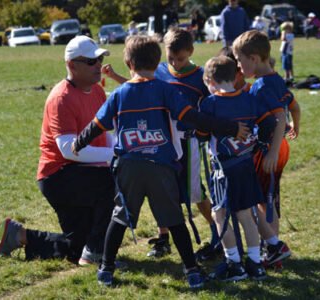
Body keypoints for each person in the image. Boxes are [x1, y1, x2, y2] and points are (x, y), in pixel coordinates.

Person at [72, 35, 249, 288]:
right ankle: (191, 271)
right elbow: (195, 118)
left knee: (120, 217)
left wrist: (78, 143)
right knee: (174, 219)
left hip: (129, 166)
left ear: (129, 63)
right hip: (160, 166)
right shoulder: (167, 90)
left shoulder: (120, 94)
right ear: (157, 63)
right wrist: (230, 128)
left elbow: (97, 125)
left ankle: (106, 269)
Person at [101, 28, 227, 261]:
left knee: (193, 191)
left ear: (191, 51)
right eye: (171, 58)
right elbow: (137, 87)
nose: (176, 64)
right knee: (160, 191)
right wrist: (117, 78)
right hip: (161, 141)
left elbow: (213, 103)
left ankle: (218, 232)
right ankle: (163, 239)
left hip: (188, 142)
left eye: (180, 58)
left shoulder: (200, 77)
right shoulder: (158, 70)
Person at [0, 36, 117, 266]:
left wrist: (117, 150)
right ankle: (96, 252)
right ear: (72, 65)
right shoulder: (61, 98)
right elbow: (69, 151)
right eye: (92, 61)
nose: (98, 65)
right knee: (111, 183)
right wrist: (115, 156)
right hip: (60, 175)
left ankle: (18, 235)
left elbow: (104, 134)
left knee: (74, 247)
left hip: (80, 172)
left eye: (99, 59)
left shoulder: (98, 91)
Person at [199, 56, 274, 281]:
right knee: (245, 214)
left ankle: (234, 263)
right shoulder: (249, 98)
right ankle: (255, 262)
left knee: (219, 214)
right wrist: (258, 142)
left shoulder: (209, 103)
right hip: (245, 164)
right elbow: (270, 122)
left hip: (223, 170)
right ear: (235, 76)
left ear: (210, 80)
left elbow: (202, 134)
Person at [233, 30, 299, 267]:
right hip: (277, 145)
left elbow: (281, 117)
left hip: (271, 150)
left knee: (266, 201)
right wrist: (296, 126)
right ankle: (271, 247)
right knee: (268, 199)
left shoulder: (261, 86)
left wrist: (271, 150)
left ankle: (273, 250)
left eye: (240, 61)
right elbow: (294, 106)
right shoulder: (275, 78)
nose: (239, 67)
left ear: (254, 58)